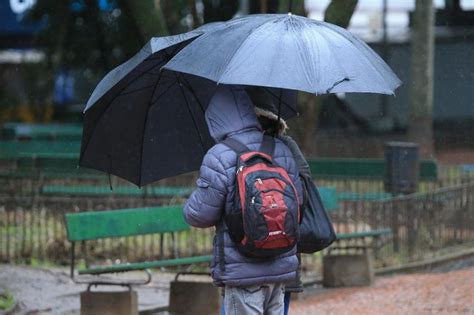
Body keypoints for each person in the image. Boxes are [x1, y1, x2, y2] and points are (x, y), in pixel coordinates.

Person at [183, 85, 303, 315]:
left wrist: (192, 202)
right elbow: (298, 204)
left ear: (215, 119)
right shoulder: (279, 149)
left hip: (242, 270)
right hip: (278, 263)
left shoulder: (219, 155)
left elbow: (200, 214)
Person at [246, 86, 312, 315]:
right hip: (284, 249)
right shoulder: (288, 148)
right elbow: (301, 195)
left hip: (245, 258)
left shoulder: (235, 150)